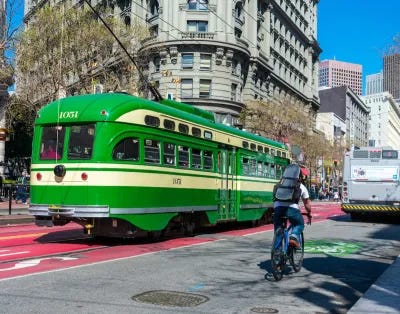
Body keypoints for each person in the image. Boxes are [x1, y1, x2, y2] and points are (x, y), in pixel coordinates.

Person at [273, 165, 312, 248]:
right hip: (292, 209)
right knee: (299, 224)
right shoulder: (301, 186)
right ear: (300, 176)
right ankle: (293, 236)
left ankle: (277, 253)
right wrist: (309, 213)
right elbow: (307, 204)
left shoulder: (280, 183)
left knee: (278, 230)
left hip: (277, 208)